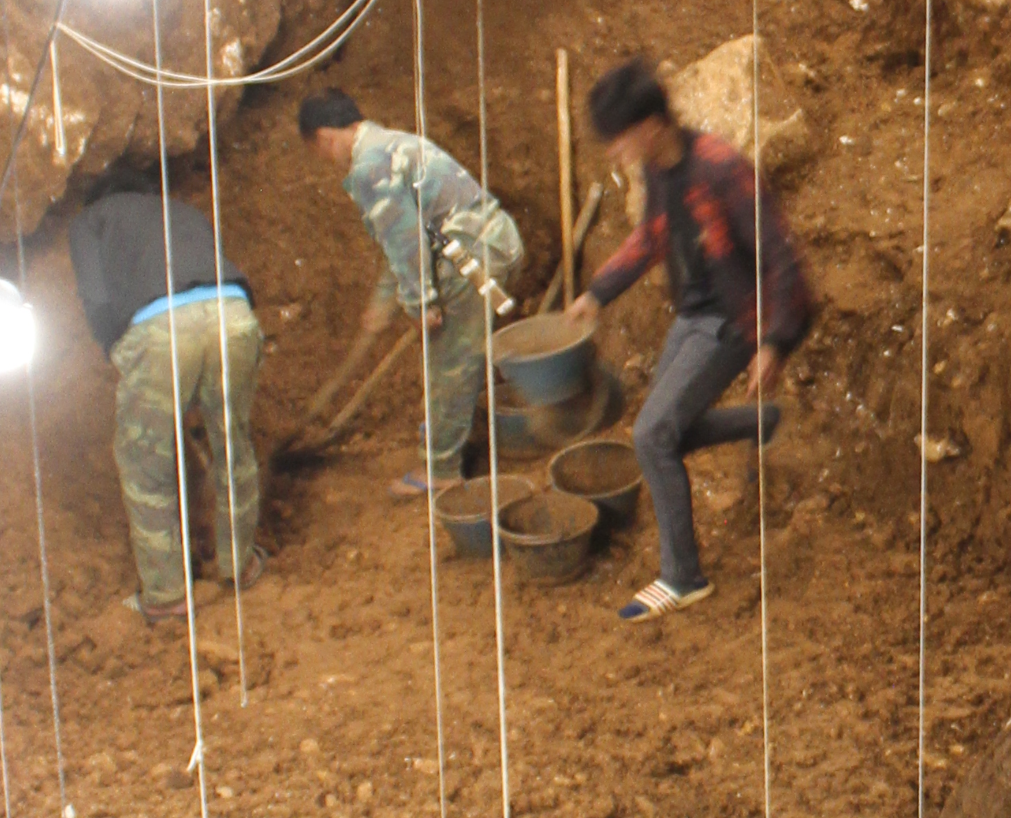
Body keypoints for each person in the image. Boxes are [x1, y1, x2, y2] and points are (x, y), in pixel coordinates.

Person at [566, 59, 811, 624]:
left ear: (651, 124)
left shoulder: (721, 170)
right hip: (693, 314)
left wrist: (773, 342)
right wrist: (597, 293)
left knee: (652, 434)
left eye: (617, 136)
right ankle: (762, 423)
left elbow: (780, 255)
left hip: (732, 321)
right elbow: (652, 236)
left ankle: (683, 577)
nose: (612, 150)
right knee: (664, 431)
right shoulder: (661, 171)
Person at [299, 88, 524, 498]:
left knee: (448, 365)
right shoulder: (395, 144)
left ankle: (441, 470)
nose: (328, 159)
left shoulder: (368, 167)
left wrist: (421, 302)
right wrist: (384, 304)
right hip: (492, 242)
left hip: (468, 259)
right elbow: (405, 234)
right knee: (462, 355)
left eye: (321, 151)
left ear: (325, 138)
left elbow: (405, 242)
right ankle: (455, 434)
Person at [69, 176, 268, 627]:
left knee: (145, 467)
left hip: (160, 330)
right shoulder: (180, 208)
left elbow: (95, 297)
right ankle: (238, 565)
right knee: (232, 445)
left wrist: (116, 350)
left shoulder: (89, 220)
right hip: (233, 313)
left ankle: (165, 593)